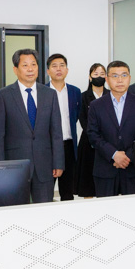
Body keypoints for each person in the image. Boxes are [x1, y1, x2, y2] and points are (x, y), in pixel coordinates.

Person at [0, 49, 64, 203]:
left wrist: (58, 162)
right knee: (16, 210)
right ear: (15, 69)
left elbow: (56, 132)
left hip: (44, 165)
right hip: (15, 166)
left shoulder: (49, 94)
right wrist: (0, 166)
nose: (30, 69)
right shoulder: (3, 95)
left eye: (33, 64)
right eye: (25, 65)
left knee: (44, 209)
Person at [87, 60, 135, 197]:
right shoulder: (96, 105)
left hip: (132, 169)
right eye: (115, 76)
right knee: (105, 208)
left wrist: (127, 156)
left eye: (124, 75)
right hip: (105, 168)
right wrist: (114, 154)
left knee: (133, 208)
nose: (120, 80)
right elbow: (93, 134)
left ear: (129, 78)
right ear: (107, 79)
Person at [45, 54, 81, 201]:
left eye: (62, 65)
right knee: (46, 190)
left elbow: (75, 116)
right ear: (48, 71)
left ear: (67, 70)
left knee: (67, 192)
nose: (58, 69)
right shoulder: (42, 91)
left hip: (69, 146)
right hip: (48, 147)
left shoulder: (75, 92)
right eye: (54, 66)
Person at [74, 63, 108, 198]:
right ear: (90, 77)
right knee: (87, 182)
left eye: (102, 74)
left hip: (108, 143)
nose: (99, 77)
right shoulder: (82, 97)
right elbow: (83, 121)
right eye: (96, 74)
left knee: (106, 183)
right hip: (88, 143)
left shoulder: (111, 95)